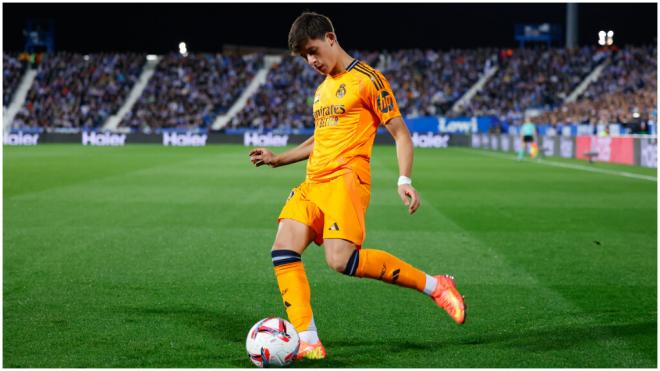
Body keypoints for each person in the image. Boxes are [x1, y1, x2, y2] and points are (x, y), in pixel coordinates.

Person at [248, 12, 466, 360]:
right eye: (305, 56)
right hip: (313, 182)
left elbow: (400, 133)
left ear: (330, 37)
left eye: (314, 50)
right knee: (283, 249)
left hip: (346, 180)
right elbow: (319, 140)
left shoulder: (369, 79)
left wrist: (404, 179)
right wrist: (278, 159)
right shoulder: (321, 92)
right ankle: (307, 339)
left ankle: (436, 285)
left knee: (340, 261)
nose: (312, 61)